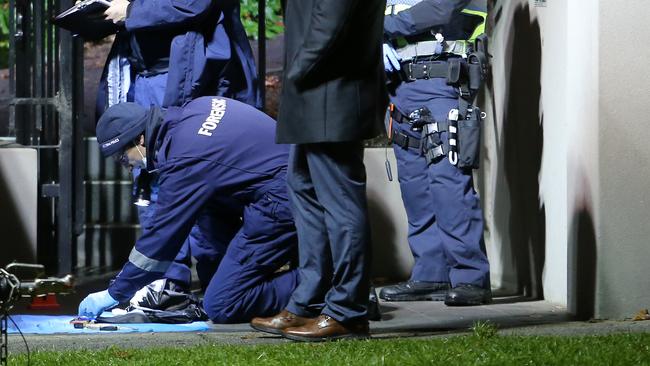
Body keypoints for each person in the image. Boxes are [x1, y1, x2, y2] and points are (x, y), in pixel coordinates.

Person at [78, 97, 298, 323]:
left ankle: (320, 284)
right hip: (293, 180)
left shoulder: (184, 159)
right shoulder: (196, 109)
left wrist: (115, 293)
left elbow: (161, 238)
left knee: (222, 304)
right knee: (206, 212)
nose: (127, 167)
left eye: (122, 157)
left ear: (139, 139)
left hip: (280, 201)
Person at [98, 0, 261, 292]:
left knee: (196, 186)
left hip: (184, 73)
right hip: (152, 72)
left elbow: (194, 4)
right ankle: (169, 284)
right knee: (154, 184)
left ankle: (217, 286)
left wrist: (133, 11)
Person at [250, 0, 388, 341]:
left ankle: (347, 311)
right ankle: (309, 302)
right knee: (305, 194)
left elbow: (332, 19)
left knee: (340, 203)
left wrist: (299, 69)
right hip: (317, 92)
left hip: (330, 90)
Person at [378, 0, 492, 305]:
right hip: (401, 84)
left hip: (444, 80)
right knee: (415, 184)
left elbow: (438, 11)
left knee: (448, 181)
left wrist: (375, 30)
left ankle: (470, 277)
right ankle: (431, 274)